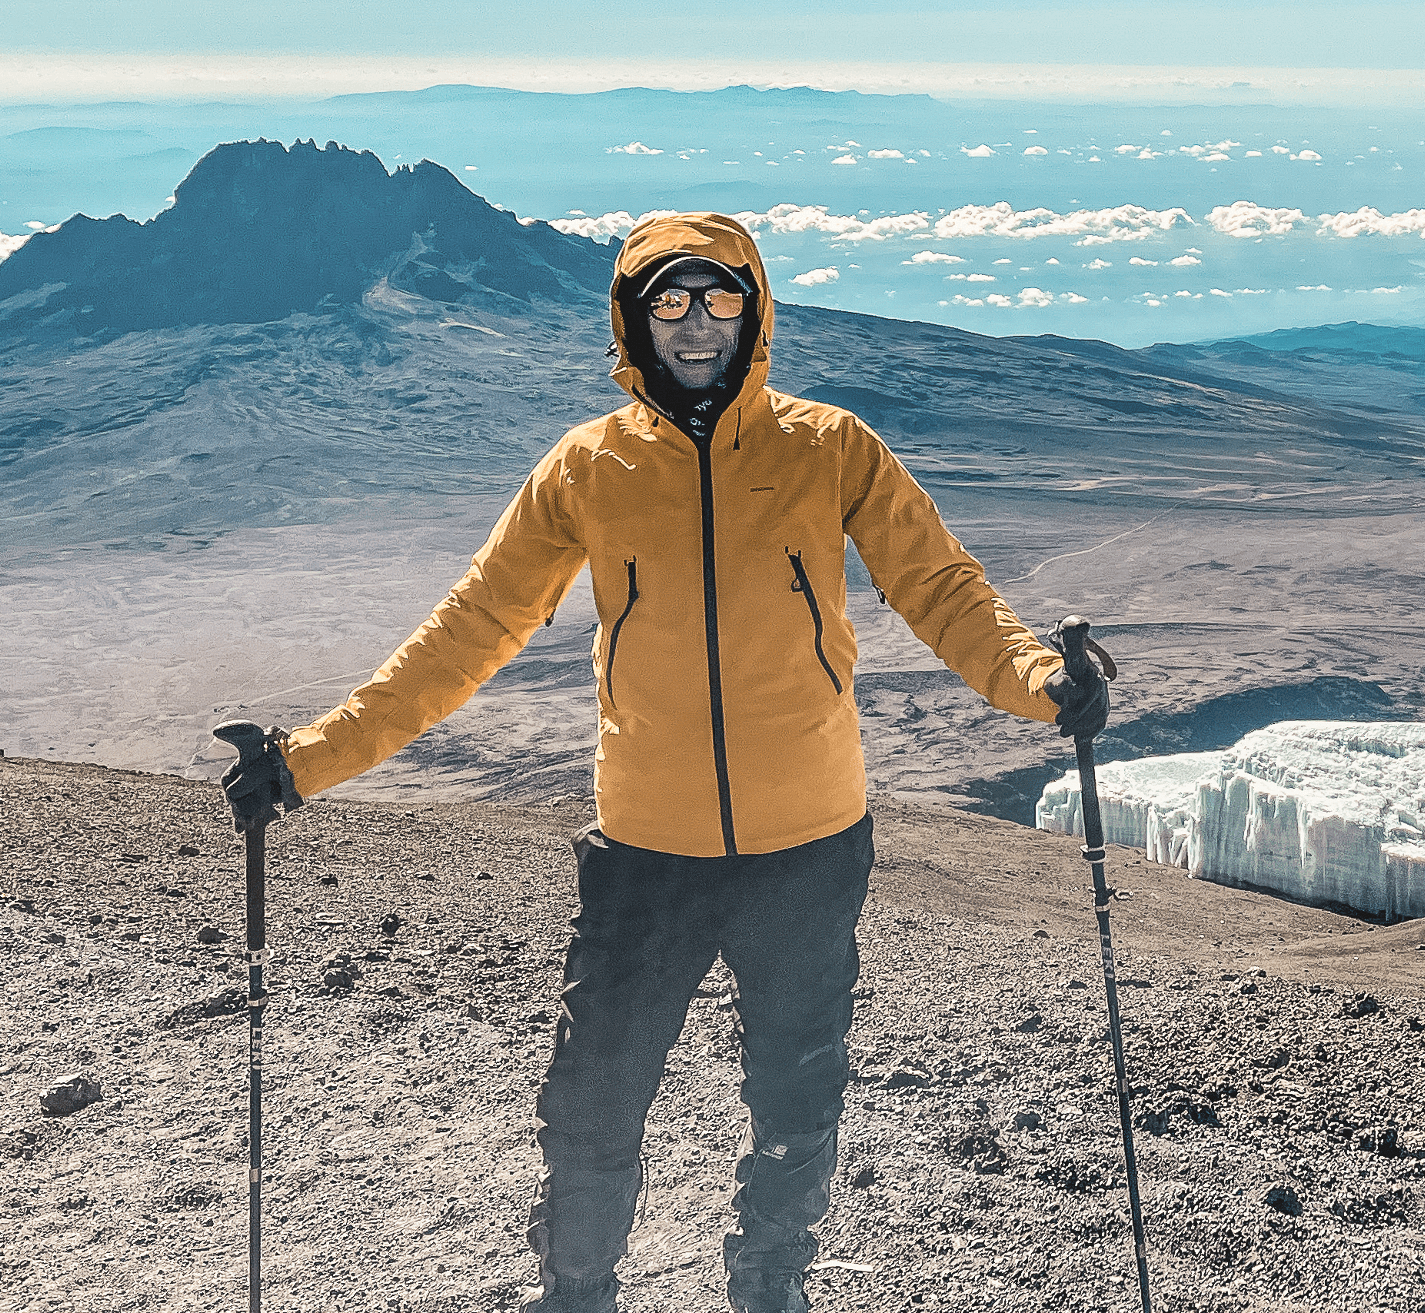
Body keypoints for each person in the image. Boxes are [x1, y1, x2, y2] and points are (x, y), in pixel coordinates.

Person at [217, 213, 1108, 1313]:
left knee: (796, 1097)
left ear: (756, 310)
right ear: (633, 321)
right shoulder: (588, 469)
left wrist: (1039, 680)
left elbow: (941, 588)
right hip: (647, 848)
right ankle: (578, 1289)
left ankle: (768, 1282)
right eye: (670, 302)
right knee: (593, 1098)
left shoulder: (831, 447)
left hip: (809, 844)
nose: (697, 324)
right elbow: (471, 629)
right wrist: (308, 757)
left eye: (720, 298)